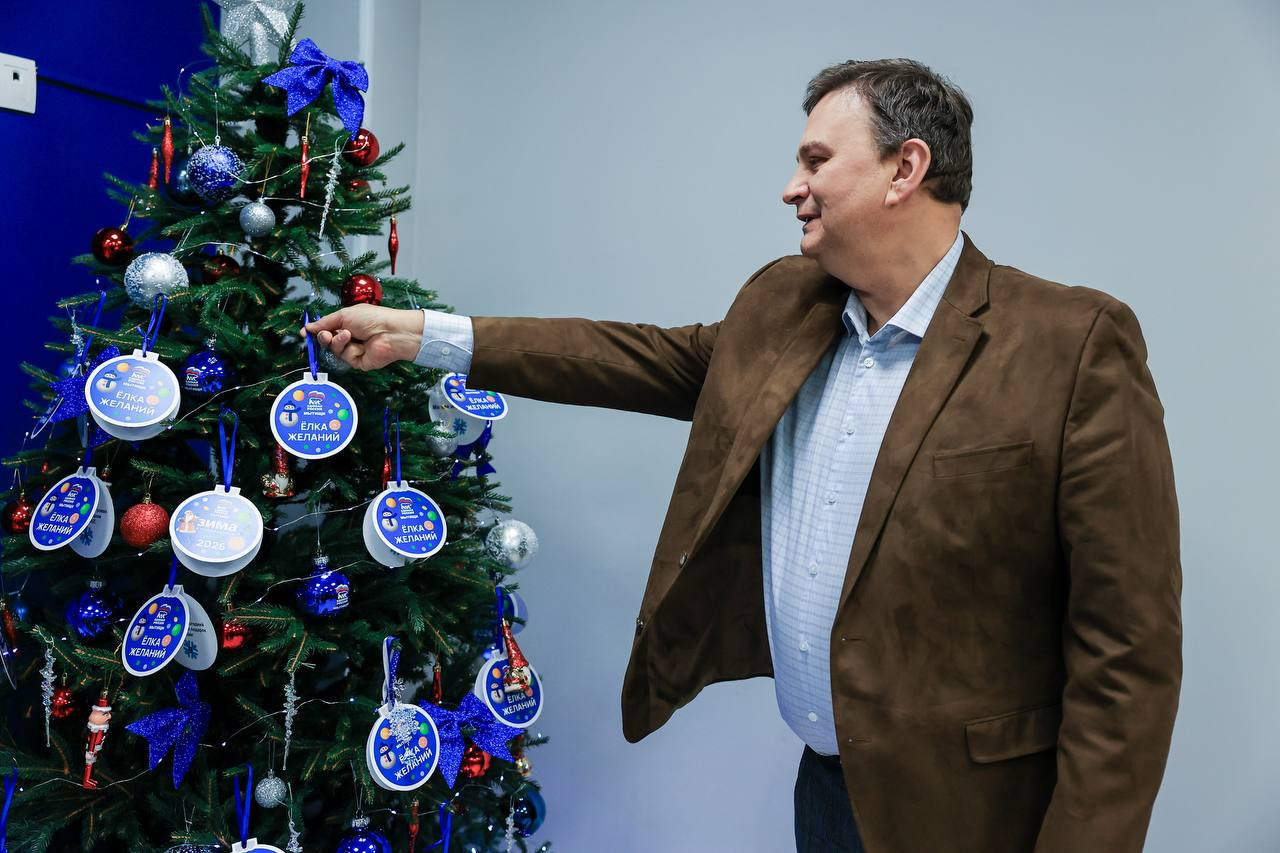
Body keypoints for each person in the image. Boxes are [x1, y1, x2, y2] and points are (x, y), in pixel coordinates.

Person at [304, 58, 1182, 853]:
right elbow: (627, 356)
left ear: (904, 169)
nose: (792, 188)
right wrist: (423, 335)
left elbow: (1128, 653)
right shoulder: (784, 306)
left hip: (973, 815)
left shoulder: (1070, 343)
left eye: (816, 161)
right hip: (825, 791)